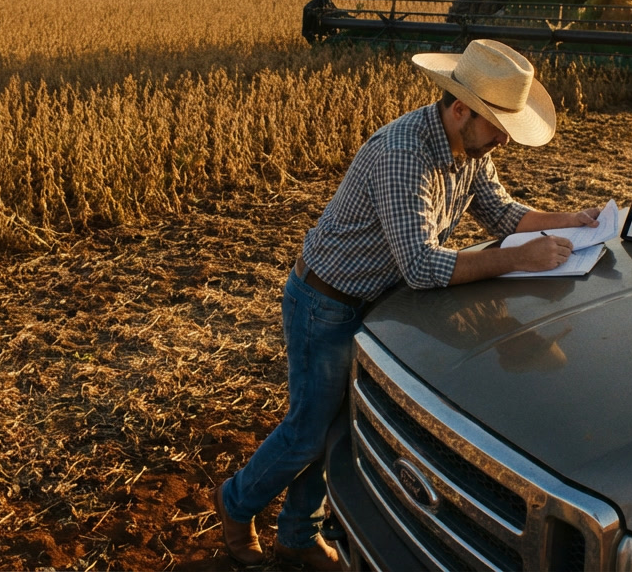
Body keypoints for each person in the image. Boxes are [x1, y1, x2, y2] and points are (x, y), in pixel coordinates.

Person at [211, 39, 604, 569]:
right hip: (325, 304)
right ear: (460, 107)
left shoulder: (469, 148)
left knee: (337, 432)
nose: (502, 142)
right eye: (497, 127)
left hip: (372, 306)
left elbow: (502, 213)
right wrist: (520, 260)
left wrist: (568, 220)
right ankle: (236, 504)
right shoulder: (404, 155)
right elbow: (422, 267)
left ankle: (297, 538)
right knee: (307, 432)